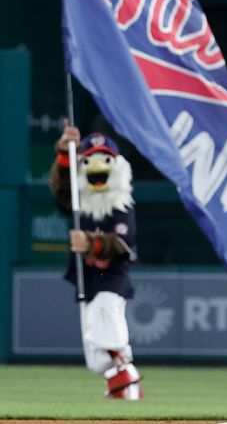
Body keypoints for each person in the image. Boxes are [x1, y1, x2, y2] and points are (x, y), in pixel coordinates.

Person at [49, 125, 143, 400]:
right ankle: (119, 384)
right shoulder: (81, 201)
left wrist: (92, 244)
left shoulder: (121, 204)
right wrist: (65, 151)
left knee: (106, 312)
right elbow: (63, 190)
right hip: (86, 276)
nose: (98, 167)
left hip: (113, 276)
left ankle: (126, 374)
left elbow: (124, 244)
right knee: (94, 349)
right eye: (89, 159)